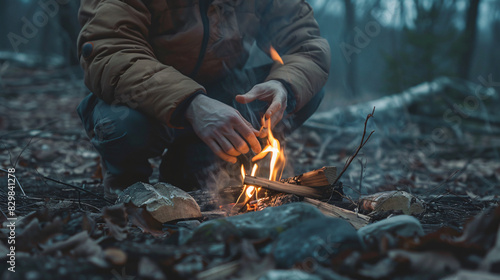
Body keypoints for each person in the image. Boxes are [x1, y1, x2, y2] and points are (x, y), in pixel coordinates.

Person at [76, 0, 330, 199]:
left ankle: (193, 169)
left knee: (301, 89)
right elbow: (108, 49)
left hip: (223, 93)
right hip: (145, 99)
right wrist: (190, 103)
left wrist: (282, 84)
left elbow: (306, 46)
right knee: (124, 126)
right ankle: (127, 183)